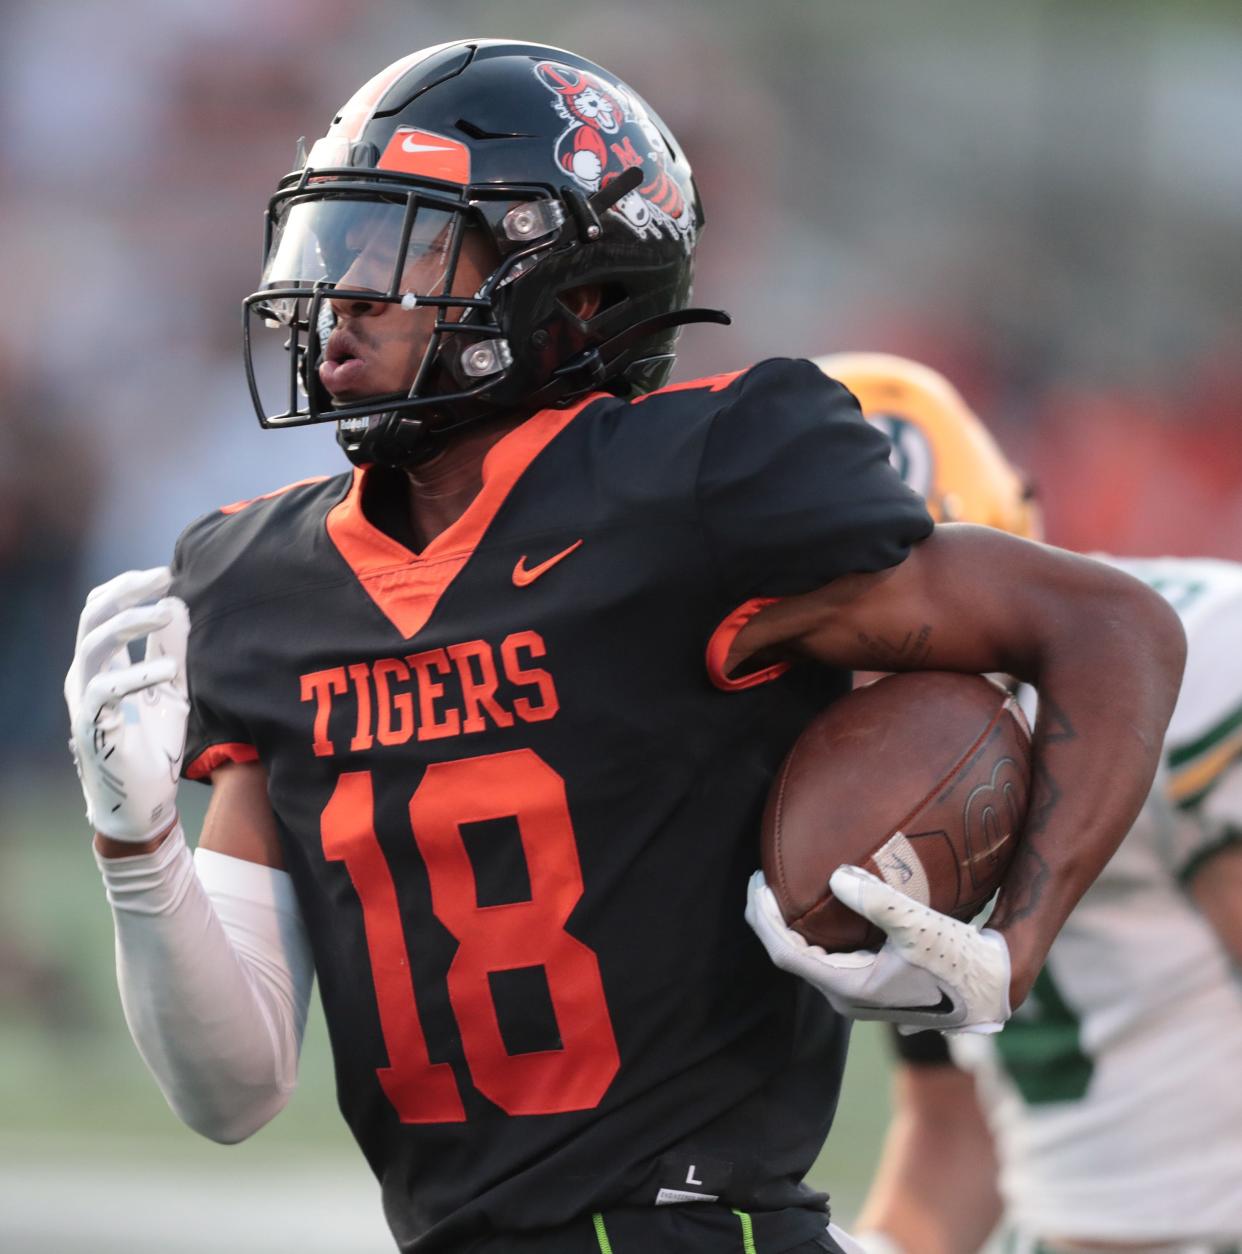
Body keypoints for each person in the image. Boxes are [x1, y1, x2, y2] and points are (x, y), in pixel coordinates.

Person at [63, 42, 1186, 1254]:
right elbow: (232, 1093)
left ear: (575, 290)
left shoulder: (698, 482)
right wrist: (138, 853)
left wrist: (1014, 942)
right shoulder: (253, 584)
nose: (344, 292)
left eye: (405, 246)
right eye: (333, 243)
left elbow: (1113, 626)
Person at [819, 353, 1242, 1254]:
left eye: (909, 620)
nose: (881, 667)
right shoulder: (864, 771)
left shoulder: (1199, 656)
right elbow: (954, 1132)